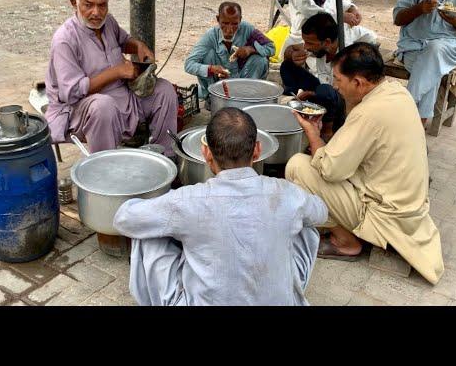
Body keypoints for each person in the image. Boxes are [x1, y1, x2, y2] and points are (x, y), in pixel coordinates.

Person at [113, 107, 328, 306]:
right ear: (257, 150)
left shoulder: (186, 200)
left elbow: (124, 219)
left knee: (147, 231)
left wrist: (155, 206)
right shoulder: (288, 194)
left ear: (206, 153)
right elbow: (321, 213)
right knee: (306, 226)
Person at [285, 43, 444, 285]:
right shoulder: (396, 92)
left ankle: (346, 242)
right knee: (322, 160)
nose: (336, 86)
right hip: (409, 208)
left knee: (298, 165)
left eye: (339, 80)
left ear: (358, 83)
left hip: (385, 214)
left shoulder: (368, 113)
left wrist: (313, 133)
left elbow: (329, 170)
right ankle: (342, 226)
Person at [45, 0, 178, 155]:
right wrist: (116, 72)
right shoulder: (65, 40)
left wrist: (139, 46)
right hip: (83, 109)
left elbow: (125, 41)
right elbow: (72, 93)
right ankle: (104, 173)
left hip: (124, 100)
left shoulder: (108, 23)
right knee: (103, 106)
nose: (96, 12)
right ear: (74, 4)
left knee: (165, 90)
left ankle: (166, 157)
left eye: (102, 5)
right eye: (88, 5)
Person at [184, 2, 275, 104]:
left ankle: (248, 96)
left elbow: (271, 48)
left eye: (235, 24)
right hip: (219, 82)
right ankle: (211, 97)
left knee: (260, 59)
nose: (229, 29)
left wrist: (250, 49)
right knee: (207, 55)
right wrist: (211, 69)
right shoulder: (210, 36)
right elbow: (189, 64)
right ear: (218, 20)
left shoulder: (248, 29)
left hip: (243, 78)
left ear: (240, 20)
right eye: (225, 23)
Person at [280, 12, 346, 140]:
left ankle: (327, 131)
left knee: (324, 91)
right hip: (322, 90)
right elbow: (290, 50)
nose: (306, 46)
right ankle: (296, 102)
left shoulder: (347, 51)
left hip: (339, 100)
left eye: (310, 43)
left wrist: (314, 94)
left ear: (327, 42)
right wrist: (292, 55)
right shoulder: (320, 47)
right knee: (287, 66)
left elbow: (343, 92)